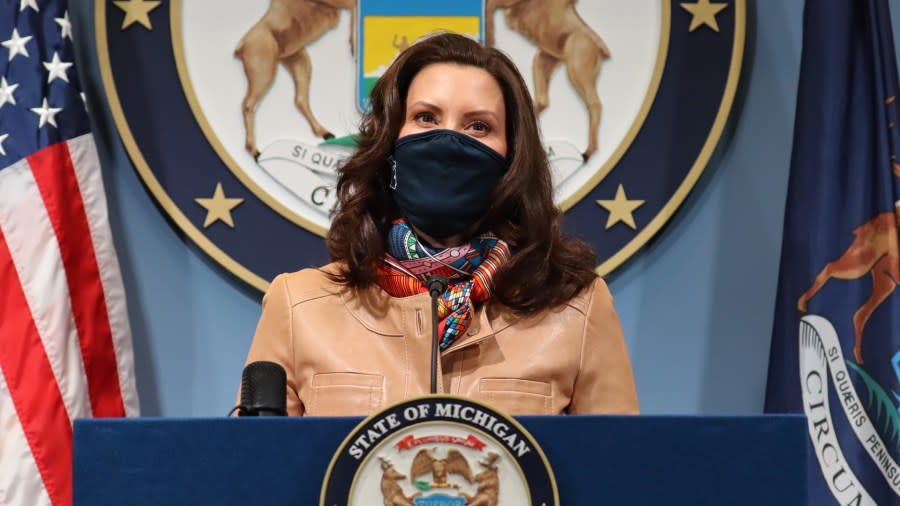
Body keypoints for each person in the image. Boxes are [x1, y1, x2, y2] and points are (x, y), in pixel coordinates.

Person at [241, 32, 638, 416]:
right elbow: (258, 475)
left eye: (478, 126)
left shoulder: (576, 310)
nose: (448, 141)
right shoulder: (298, 307)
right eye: (426, 118)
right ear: (388, 144)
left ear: (512, 158)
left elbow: (617, 474)